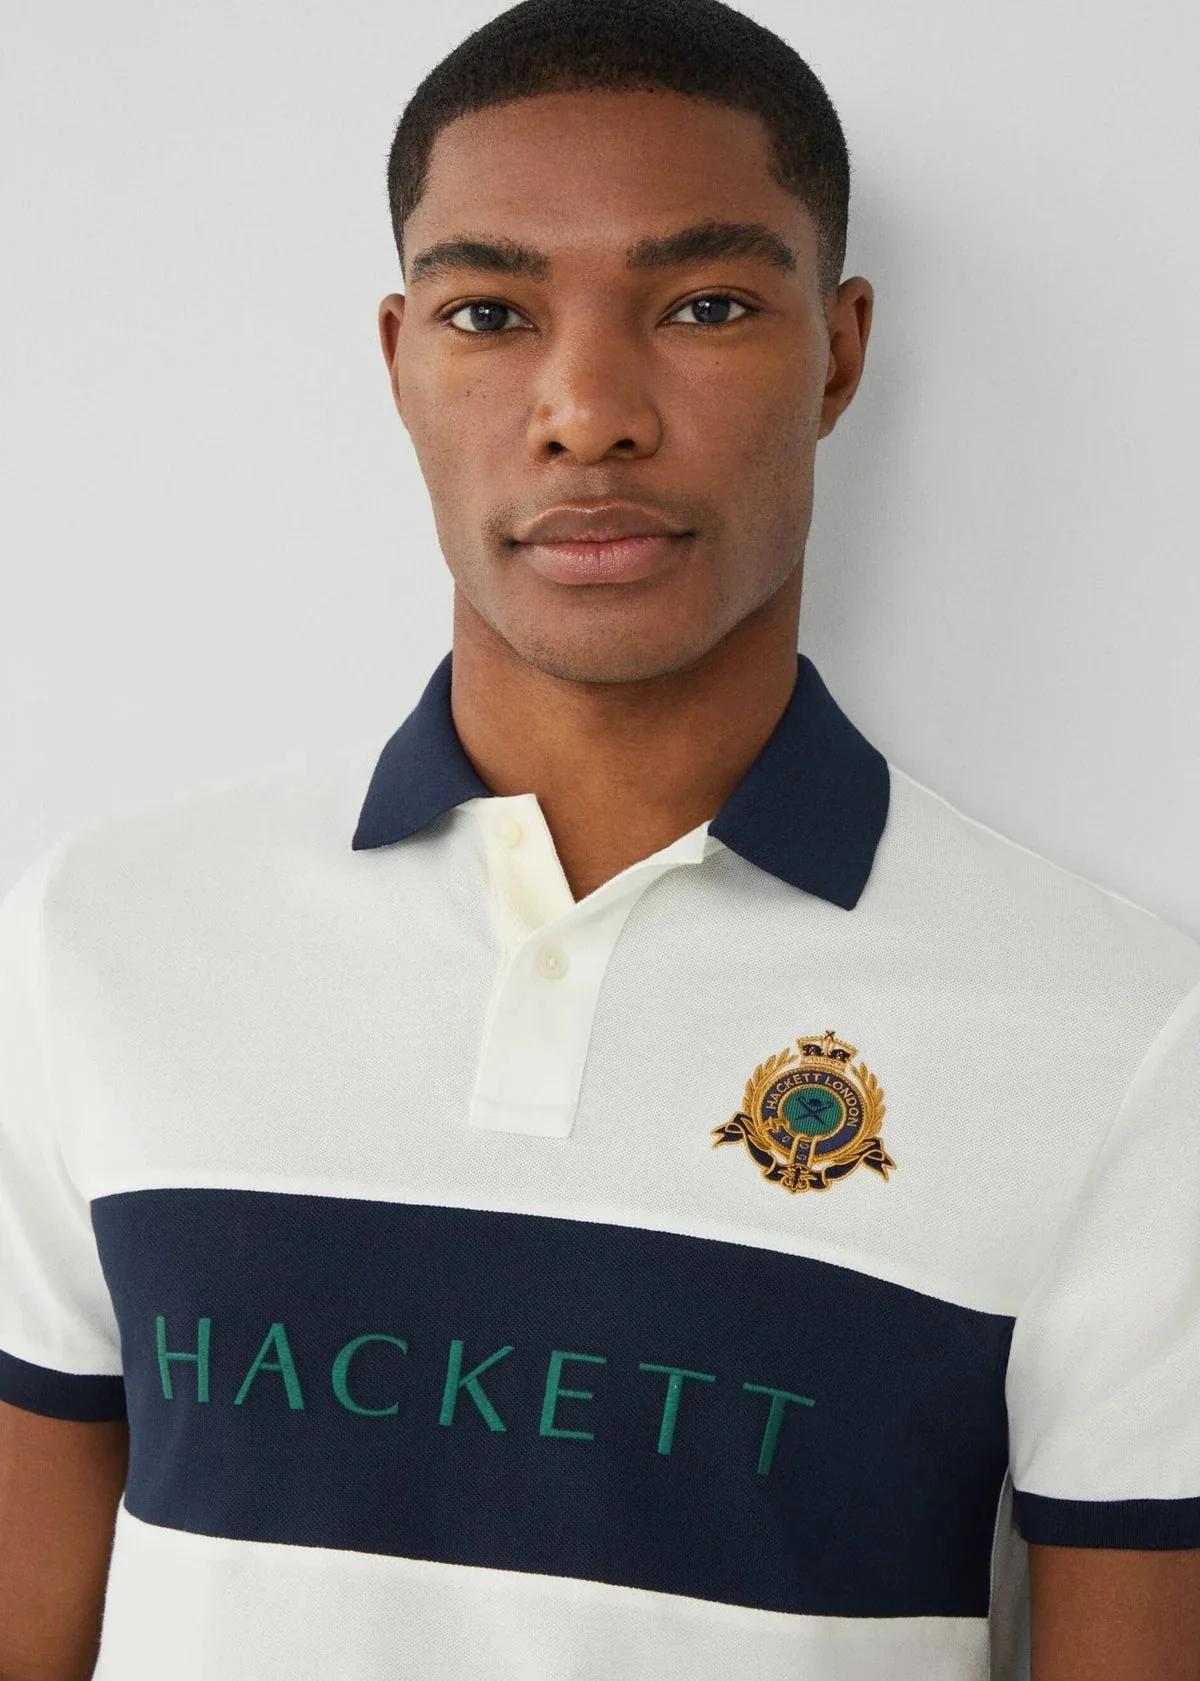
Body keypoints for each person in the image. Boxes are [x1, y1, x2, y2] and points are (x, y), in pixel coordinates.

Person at [1, 2, 1198, 1677]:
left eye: (705, 305)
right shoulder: (106, 934)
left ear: (839, 352)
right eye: (489, 312)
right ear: (400, 358)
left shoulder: (1127, 1038)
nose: (587, 412)